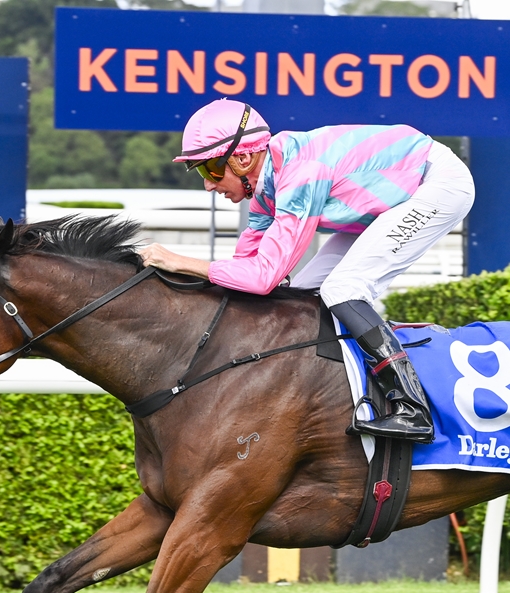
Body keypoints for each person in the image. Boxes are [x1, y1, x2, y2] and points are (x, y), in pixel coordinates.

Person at [139, 98, 475, 443]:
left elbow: (263, 277)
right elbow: (244, 274)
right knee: (299, 295)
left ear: (242, 159)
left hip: (436, 184)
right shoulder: (267, 190)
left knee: (342, 290)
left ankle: (412, 406)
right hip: (391, 199)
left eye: (210, 170)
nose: (209, 185)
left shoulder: (299, 174)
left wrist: (179, 262)